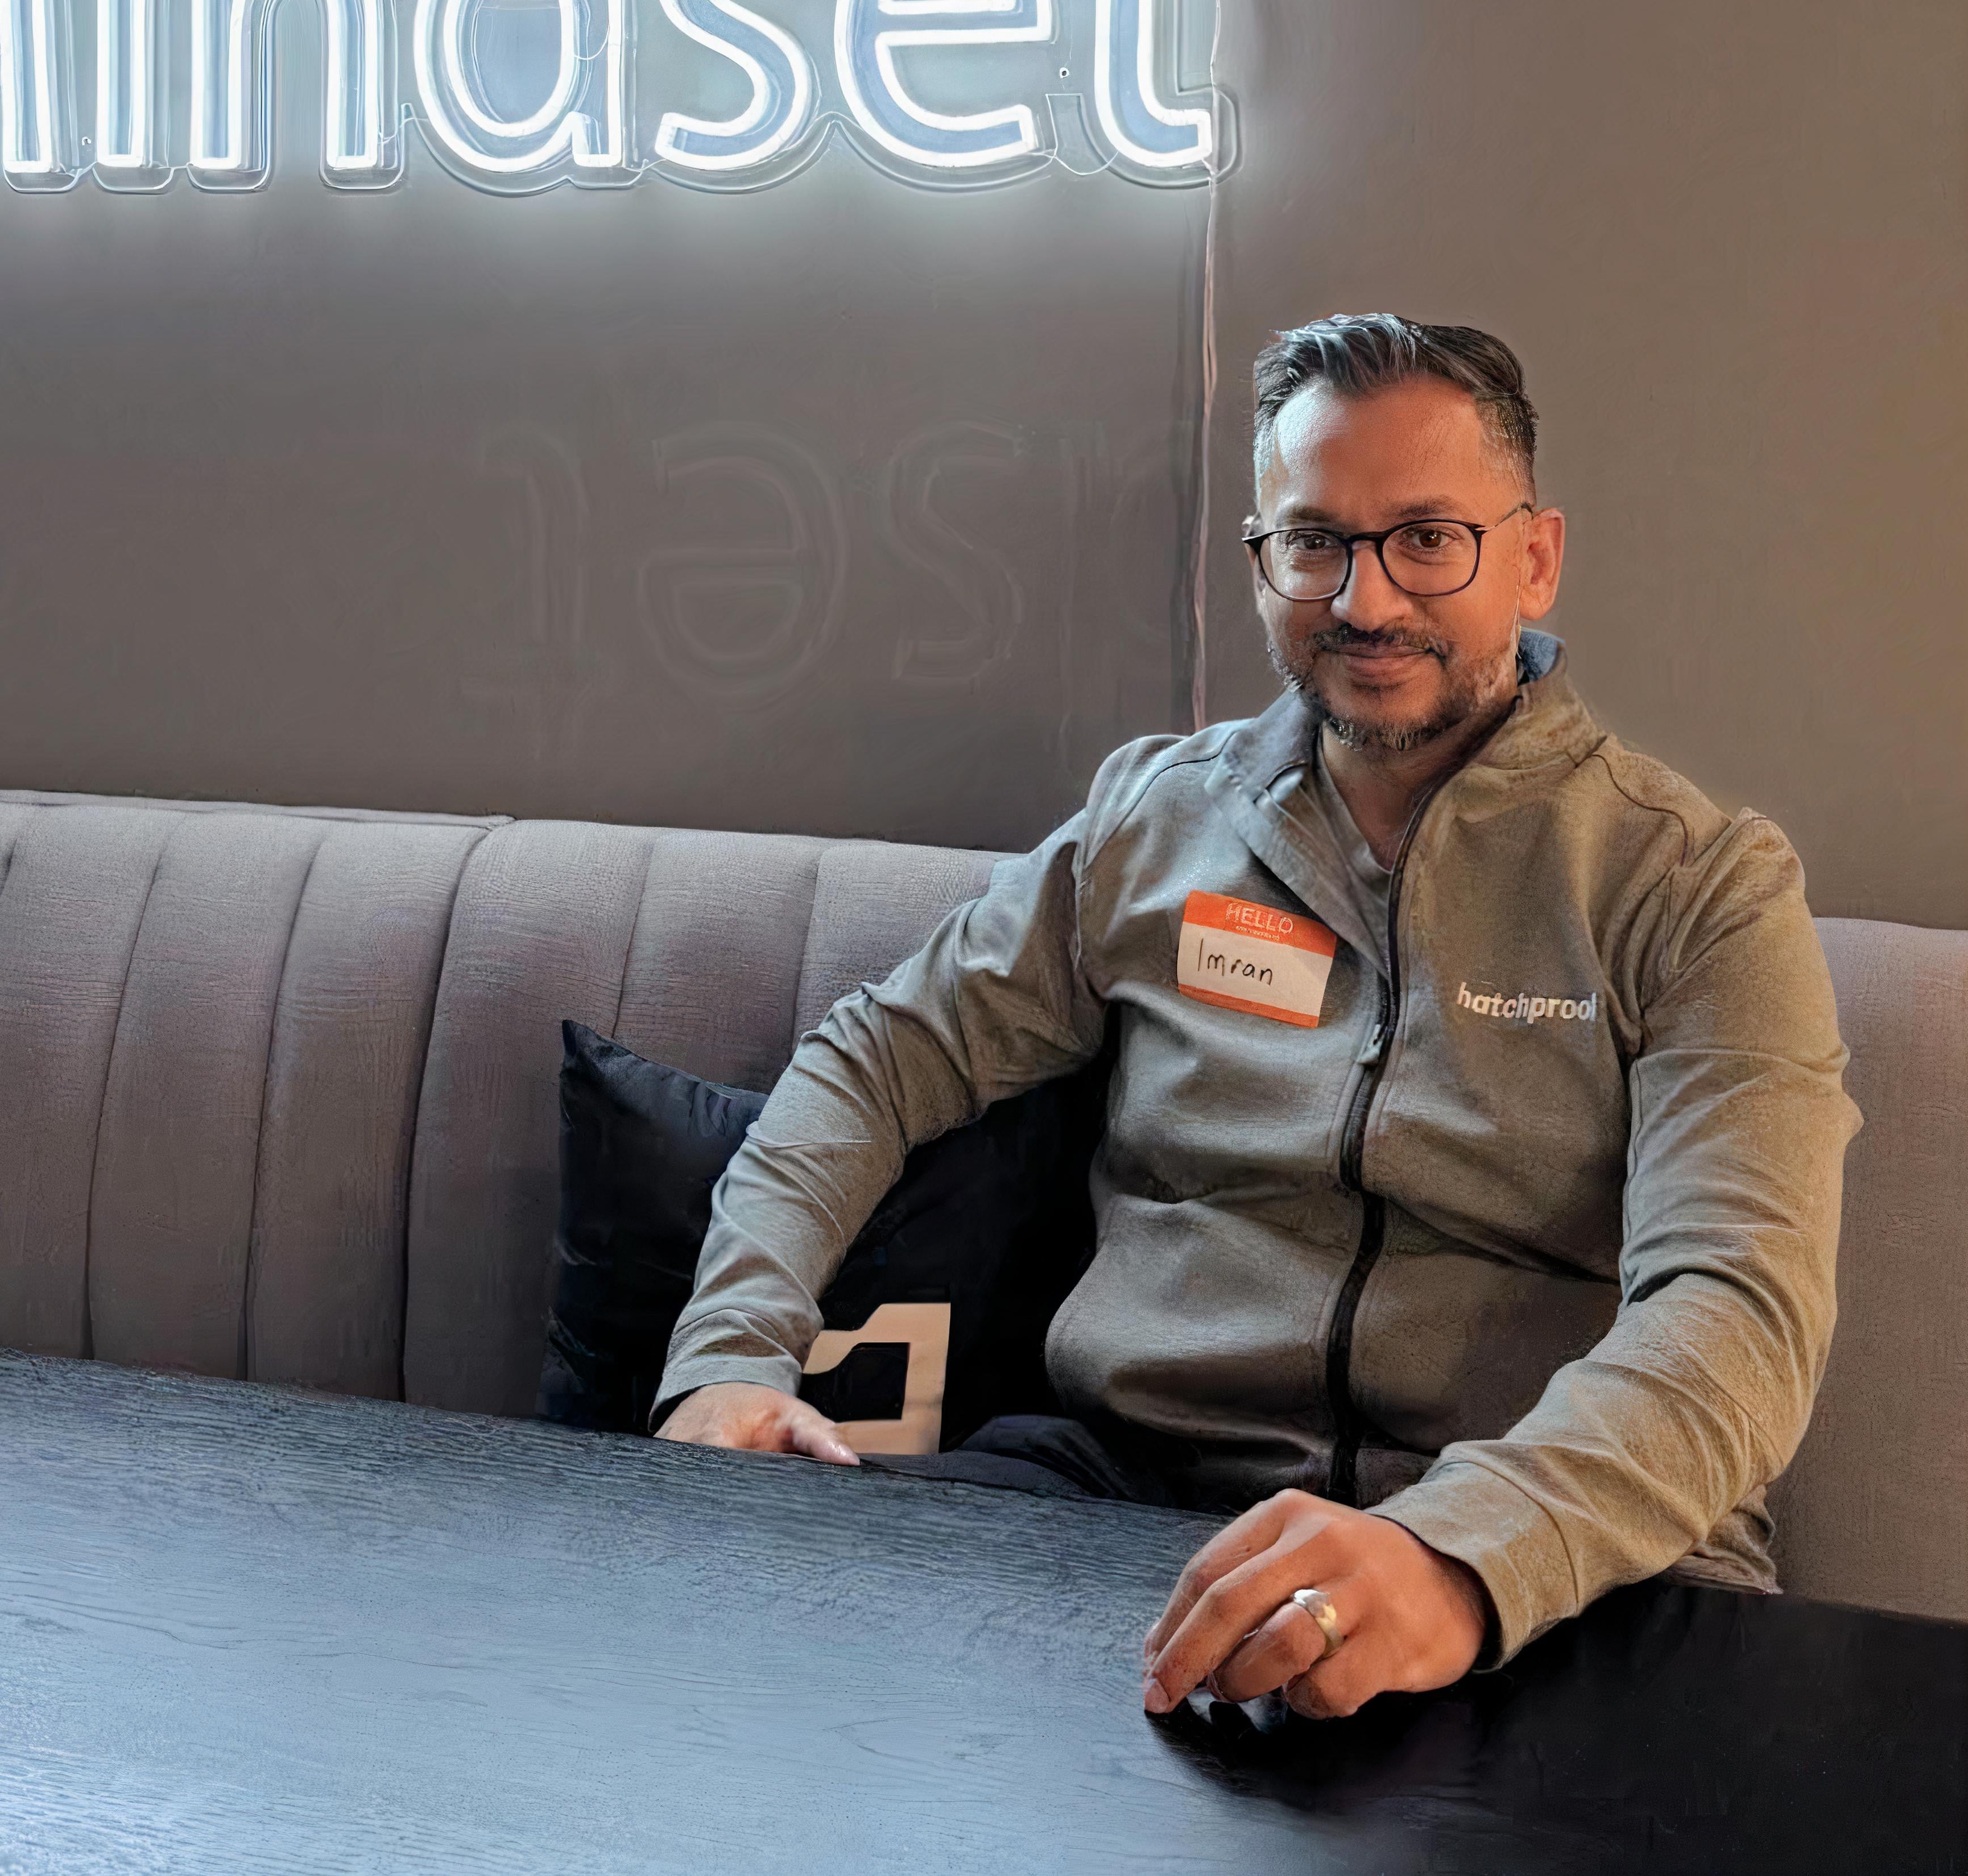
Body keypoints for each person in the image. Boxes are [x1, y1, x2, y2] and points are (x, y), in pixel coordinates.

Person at [654, 315, 1855, 1722]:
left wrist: (1458, 1556)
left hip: (1574, 1553)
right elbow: (878, 1060)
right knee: (758, 1690)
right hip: (1136, 1500)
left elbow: (1739, 1313)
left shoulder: (1695, 886)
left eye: (1427, 537)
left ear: (1534, 555)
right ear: (1262, 560)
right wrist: (730, 1353)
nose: (1366, 598)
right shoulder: (1154, 824)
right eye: (1316, 542)